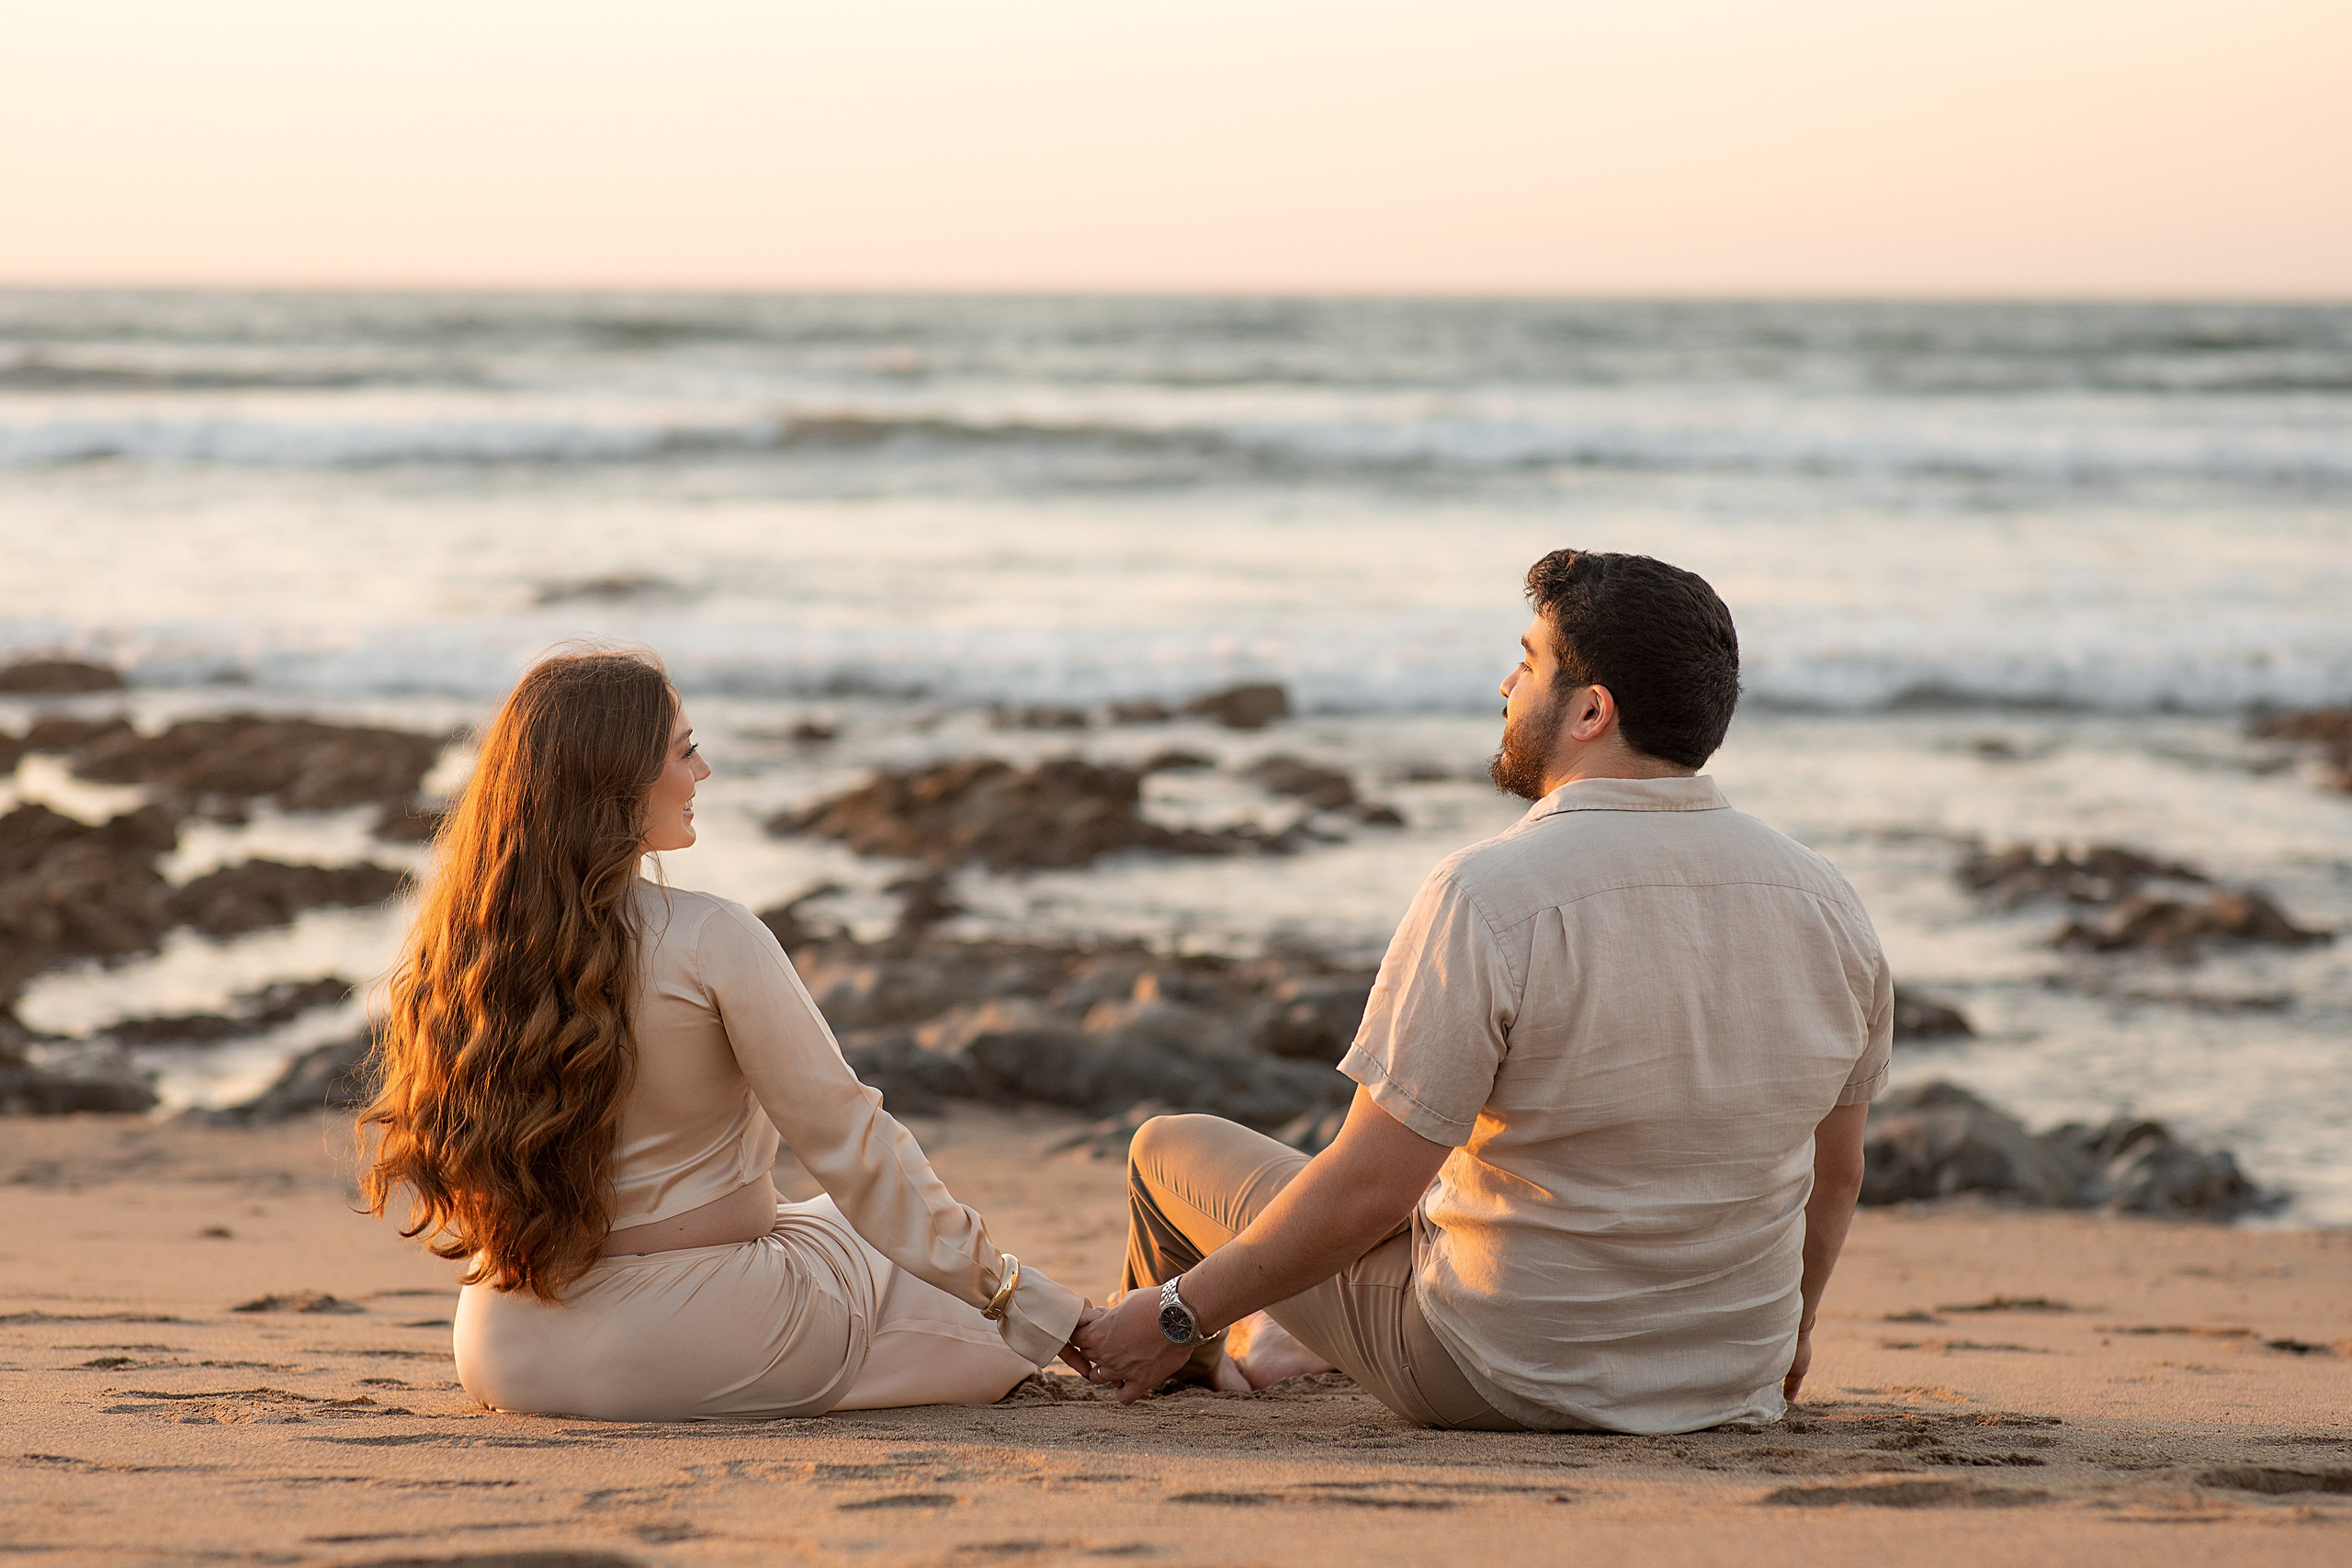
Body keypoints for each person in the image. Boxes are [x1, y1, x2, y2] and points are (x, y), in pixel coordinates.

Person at [1071, 549, 1891, 1435]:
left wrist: (1176, 1310)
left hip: (1499, 1373)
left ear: (1591, 709)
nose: (1507, 684)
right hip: (1733, 1382)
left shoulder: (1490, 893)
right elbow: (1835, 1175)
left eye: (1530, 662)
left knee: (1168, 1148)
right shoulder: (1830, 903)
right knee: (1463, 1171)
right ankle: (1275, 1340)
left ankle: (1160, 1357)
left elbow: (1367, 1191)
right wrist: (1789, 1338)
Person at [361, 649, 1095, 1421]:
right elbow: (854, 1141)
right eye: (684, 751)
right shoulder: (712, 936)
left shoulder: (465, 951)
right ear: (617, 780)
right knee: (907, 1262)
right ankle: (1122, 1323)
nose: (703, 770)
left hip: (503, 1347)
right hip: (703, 1330)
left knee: (840, 1229)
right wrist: (1023, 1297)